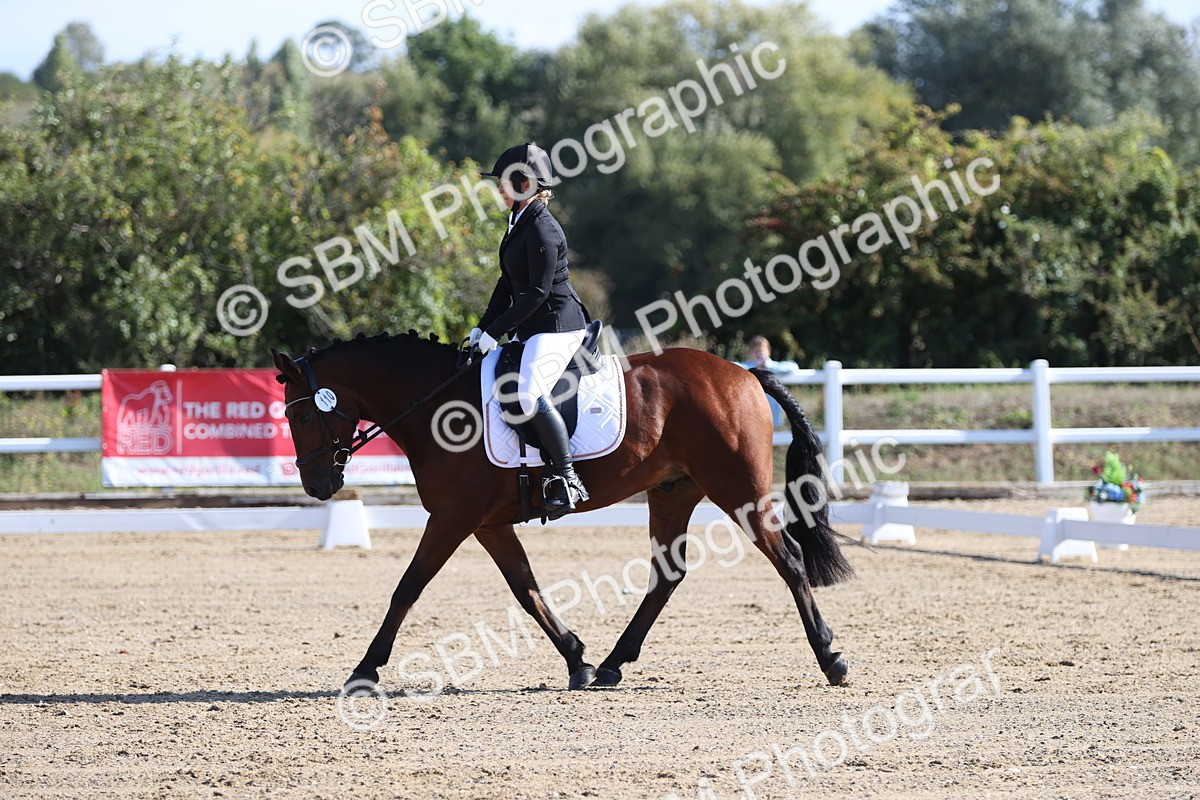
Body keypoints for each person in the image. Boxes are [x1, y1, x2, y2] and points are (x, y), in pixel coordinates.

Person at [470, 143, 591, 520]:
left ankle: (568, 478)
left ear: (525, 182)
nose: (499, 189)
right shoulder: (519, 219)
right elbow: (507, 285)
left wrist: (498, 333)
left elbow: (538, 292)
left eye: (505, 182)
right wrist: (483, 329)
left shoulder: (542, 227)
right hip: (532, 326)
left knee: (526, 392)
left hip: (557, 325)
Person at [737, 336, 800, 427]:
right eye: (756, 352)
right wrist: (754, 366)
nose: (760, 355)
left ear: (768, 352)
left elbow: (793, 366)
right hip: (751, 417)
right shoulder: (746, 367)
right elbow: (731, 366)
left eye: (761, 351)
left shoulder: (774, 367)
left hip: (773, 418)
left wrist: (768, 365)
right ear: (750, 354)